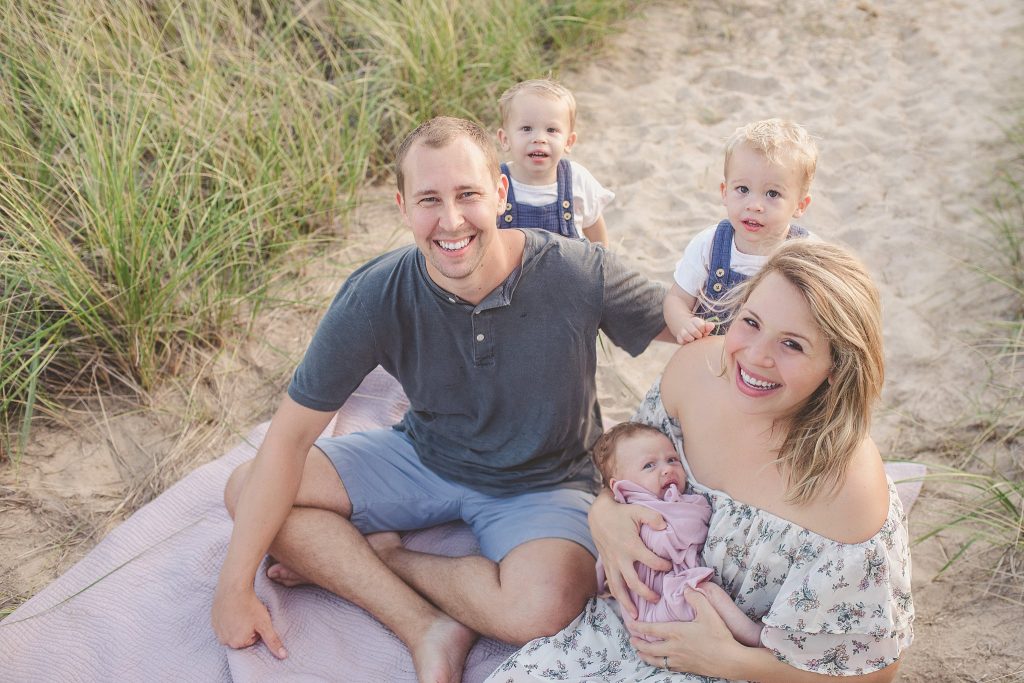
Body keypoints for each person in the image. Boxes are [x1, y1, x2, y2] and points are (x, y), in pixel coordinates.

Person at [210, 116, 668, 683]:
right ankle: (424, 626)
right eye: (429, 200)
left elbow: (698, 332)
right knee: (246, 486)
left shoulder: (578, 272)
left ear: (501, 193)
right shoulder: (375, 293)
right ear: (403, 207)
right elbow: (289, 437)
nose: (451, 221)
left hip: (545, 480)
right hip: (425, 457)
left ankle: (386, 558)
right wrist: (233, 587)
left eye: (467, 195)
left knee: (542, 609)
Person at [488, 240, 914, 682]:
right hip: (637, 626)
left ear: (836, 366)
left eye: (792, 343)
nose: (755, 356)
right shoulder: (694, 372)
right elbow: (628, 470)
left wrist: (726, 661)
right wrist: (604, 515)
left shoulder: (846, 489)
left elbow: (875, 672)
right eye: (751, 322)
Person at [591, 422, 763, 647]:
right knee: (707, 592)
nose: (667, 469)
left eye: (672, 460)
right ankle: (754, 639)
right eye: (649, 466)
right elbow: (670, 540)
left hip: (658, 606)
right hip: (656, 609)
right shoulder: (639, 511)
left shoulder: (654, 505)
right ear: (620, 485)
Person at [664, 119, 816, 344]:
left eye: (772, 194)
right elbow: (676, 299)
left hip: (770, 364)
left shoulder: (808, 253)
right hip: (712, 359)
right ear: (725, 192)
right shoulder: (710, 244)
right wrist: (685, 324)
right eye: (742, 189)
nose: (754, 205)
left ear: (800, 205)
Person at [496, 78, 613, 246]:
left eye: (551, 130)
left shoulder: (577, 179)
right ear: (505, 139)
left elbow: (594, 226)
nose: (539, 139)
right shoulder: (496, 183)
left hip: (569, 271)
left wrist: (603, 263)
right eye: (526, 128)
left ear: (569, 142)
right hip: (516, 272)